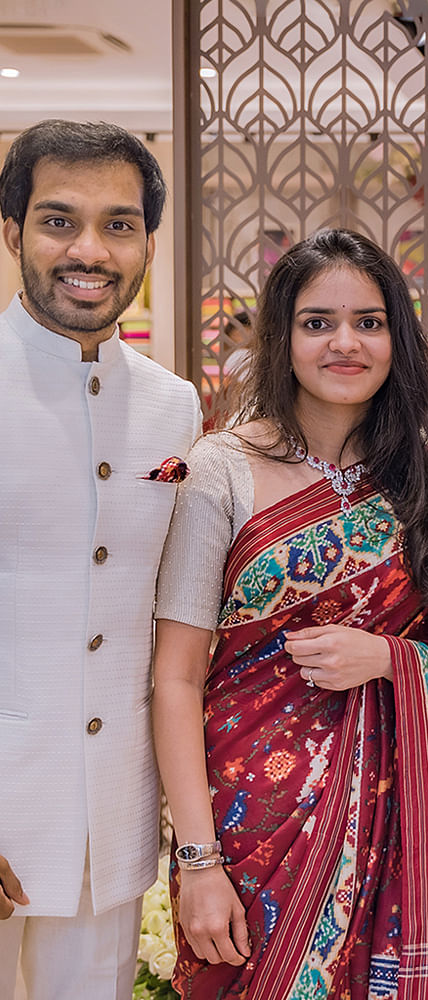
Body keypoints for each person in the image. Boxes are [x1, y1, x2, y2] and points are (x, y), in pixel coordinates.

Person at [152, 228, 428, 998]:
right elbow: (176, 678)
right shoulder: (220, 468)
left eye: (369, 322)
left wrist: (392, 660)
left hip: (404, 833)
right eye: (317, 323)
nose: (344, 343)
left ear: (398, 339)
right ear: (282, 339)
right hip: (250, 822)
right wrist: (198, 861)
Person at [0, 120, 202, 999]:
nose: (91, 249)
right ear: (12, 232)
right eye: (58, 220)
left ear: (149, 241)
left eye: (119, 224)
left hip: (109, 826)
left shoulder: (174, 407)